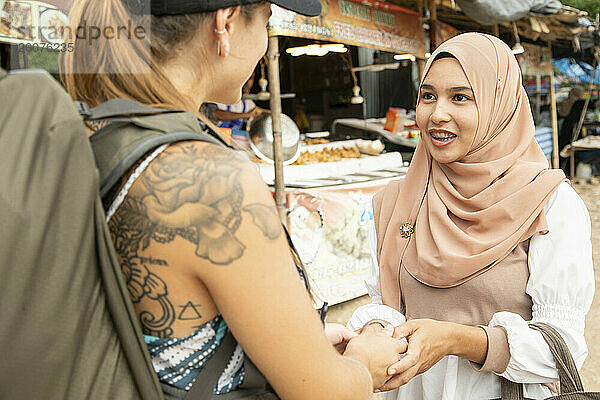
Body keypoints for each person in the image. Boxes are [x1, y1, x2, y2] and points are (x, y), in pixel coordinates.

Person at [61, 0, 407, 399]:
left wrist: (298, 347)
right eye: (266, 21)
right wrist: (365, 364)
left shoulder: (87, 138)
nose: (263, 43)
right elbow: (325, 392)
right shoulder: (211, 177)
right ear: (225, 23)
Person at [347, 32, 594, 399]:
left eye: (460, 97)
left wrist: (456, 340)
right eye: (428, 96)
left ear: (500, 105)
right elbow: (386, 307)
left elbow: (564, 350)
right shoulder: (394, 202)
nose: (437, 114)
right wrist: (376, 331)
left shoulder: (549, 203)